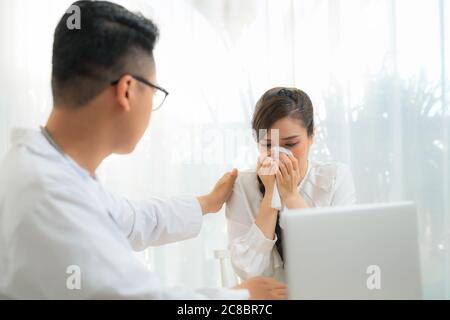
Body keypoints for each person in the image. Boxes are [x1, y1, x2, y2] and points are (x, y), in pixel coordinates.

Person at [0, 1, 287, 299]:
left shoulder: (50, 170)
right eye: (154, 92)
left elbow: (133, 218)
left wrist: (207, 202)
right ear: (126, 90)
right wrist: (241, 298)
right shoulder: (47, 193)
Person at [226, 87, 356, 281]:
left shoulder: (335, 177)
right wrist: (271, 195)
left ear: (312, 136)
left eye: (290, 144)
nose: (279, 154)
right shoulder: (242, 185)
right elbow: (248, 271)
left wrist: (292, 197)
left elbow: (337, 261)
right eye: (268, 145)